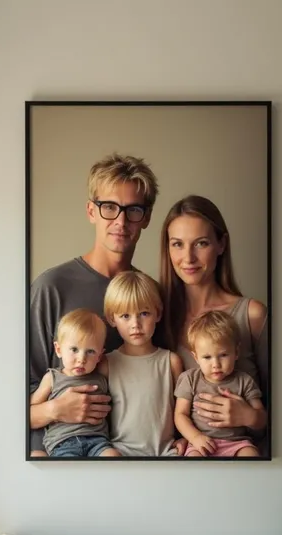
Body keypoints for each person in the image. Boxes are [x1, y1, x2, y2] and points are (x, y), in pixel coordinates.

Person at [29, 153, 159, 456]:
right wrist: (55, 410)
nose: (121, 221)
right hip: (56, 457)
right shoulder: (52, 287)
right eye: (109, 207)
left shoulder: (150, 295)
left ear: (147, 217)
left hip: (134, 458)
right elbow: (22, 389)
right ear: (91, 211)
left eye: (133, 210)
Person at [160, 194, 268, 442]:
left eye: (201, 243)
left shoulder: (252, 315)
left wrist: (249, 417)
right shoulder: (155, 316)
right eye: (177, 244)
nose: (188, 258)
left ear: (221, 244)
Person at [99, 271, 183, 457]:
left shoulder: (171, 362)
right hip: (120, 454)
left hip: (166, 453)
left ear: (158, 314)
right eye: (125, 316)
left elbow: (184, 409)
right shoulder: (107, 364)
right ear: (112, 319)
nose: (135, 324)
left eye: (144, 313)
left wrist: (186, 437)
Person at [30, 309, 121, 458]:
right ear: (58, 349)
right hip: (63, 442)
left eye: (90, 351)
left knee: (113, 456)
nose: (81, 359)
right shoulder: (52, 377)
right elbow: (31, 406)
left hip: (97, 441)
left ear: (99, 356)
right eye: (74, 349)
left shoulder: (101, 378)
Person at [174, 311, 264, 457]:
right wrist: (195, 437)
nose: (216, 364)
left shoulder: (244, 380)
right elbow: (180, 415)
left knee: (251, 455)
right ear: (196, 357)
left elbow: (261, 418)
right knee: (192, 461)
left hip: (237, 443)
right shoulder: (190, 379)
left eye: (223, 355)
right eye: (207, 357)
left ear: (236, 352)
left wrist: (250, 416)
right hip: (201, 442)